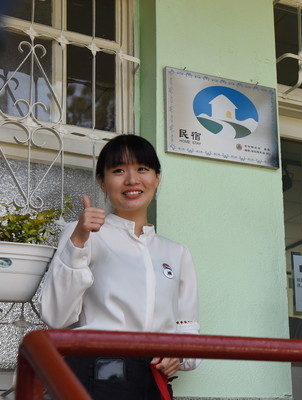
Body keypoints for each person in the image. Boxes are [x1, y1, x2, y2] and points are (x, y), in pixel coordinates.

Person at [40, 134, 200, 400]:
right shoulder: (83, 234)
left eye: (142, 169)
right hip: (98, 371)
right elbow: (56, 316)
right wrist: (78, 241)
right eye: (118, 170)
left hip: (154, 378)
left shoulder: (176, 252)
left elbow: (189, 331)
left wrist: (178, 355)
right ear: (102, 181)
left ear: (156, 178)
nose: (132, 180)